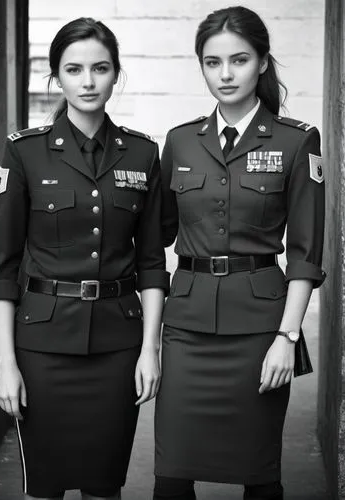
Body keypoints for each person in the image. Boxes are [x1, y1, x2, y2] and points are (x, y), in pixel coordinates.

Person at [0, 17, 169, 500]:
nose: (88, 81)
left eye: (100, 68)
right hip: (42, 345)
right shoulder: (24, 152)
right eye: (74, 69)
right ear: (57, 78)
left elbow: (151, 262)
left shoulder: (143, 154)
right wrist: (6, 363)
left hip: (117, 344)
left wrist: (151, 347)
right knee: (44, 487)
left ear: (116, 74)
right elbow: (1, 270)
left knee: (104, 485)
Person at [154, 6, 325, 500]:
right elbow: (154, 235)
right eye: (212, 62)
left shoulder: (297, 141)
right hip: (185, 326)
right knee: (171, 472)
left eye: (239, 60)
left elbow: (306, 254)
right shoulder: (181, 141)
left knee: (259, 473)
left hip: (260, 329)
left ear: (263, 63)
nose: (225, 74)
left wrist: (286, 337)